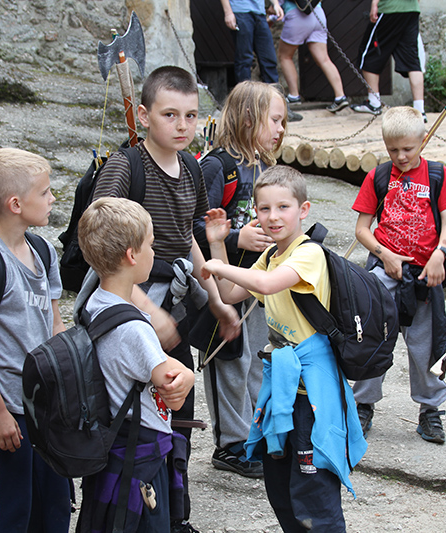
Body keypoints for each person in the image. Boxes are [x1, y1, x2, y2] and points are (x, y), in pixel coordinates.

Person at [86, 65, 240, 533]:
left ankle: (173, 514)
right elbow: (101, 241)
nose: (182, 125)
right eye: (169, 114)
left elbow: (187, 237)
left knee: (178, 407)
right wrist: (147, 309)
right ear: (143, 115)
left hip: (175, 299)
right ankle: (122, 509)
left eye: (190, 116)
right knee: (133, 412)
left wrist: (216, 301)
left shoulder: (191, 166)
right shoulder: (125, 167)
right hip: (128, 302)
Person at [201, 165, 367, 532]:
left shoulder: (309, 254)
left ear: (303, 209)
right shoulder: (271, 255)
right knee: (279, 487)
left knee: (313, 492)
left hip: (312, 393)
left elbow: (266, 284)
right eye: (264, 208)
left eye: (283, 207)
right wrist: (217, 243)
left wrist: (217, 266)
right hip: (282, 387)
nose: (273, 217)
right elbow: (229, 294)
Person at [0, 147, 71, 532]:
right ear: (16, 204)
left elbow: (54, 324)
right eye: (45, 192)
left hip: (44, 406)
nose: (52, 199)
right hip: (4, 404)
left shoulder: (44, 251)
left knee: (52, 506)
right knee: (5, 509)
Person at [76, 197, 195, 533]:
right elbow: (172, 386)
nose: (154, 253)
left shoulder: (95, 303)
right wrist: (186, 373)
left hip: (110, 441)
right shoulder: (134, 328)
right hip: (138, 454)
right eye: (151, 245)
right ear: (131, 255)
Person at [350, 106, 446, 444]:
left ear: (423, 141)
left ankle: (430, 409)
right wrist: (384, 254)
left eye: (408, 149)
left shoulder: (437, 175)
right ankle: (363, 404)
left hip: (425, 275)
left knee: (425, 344)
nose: (400, 156)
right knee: (373, 336)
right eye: (393, 150)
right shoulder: (379, 177)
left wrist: (440, 254)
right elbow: (361, 229)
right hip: (384, 271)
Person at [193, 81, 283, 479]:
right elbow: (192, 224)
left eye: (282, 121)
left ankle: (254, 435)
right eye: (274, 120)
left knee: (257, 359)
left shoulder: (264, 167)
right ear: (249, 118)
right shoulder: (218, 166)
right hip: (223, 277)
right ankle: (230, 443)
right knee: (228, 359)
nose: (280, 129)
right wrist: (234, 238)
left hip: (258, 280)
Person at [350, 0, 427, 121]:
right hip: (412, 10)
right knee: (412, 60)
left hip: (389, 8)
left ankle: (374, 102)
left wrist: (375, 4)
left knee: (368, 53)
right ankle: (419, 111)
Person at [274, 0, 350, 113]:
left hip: (297, 16)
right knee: (324, 59)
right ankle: (340, 96)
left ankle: (294, 96)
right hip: (318, 14)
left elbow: (278, 5)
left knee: (285, 56)